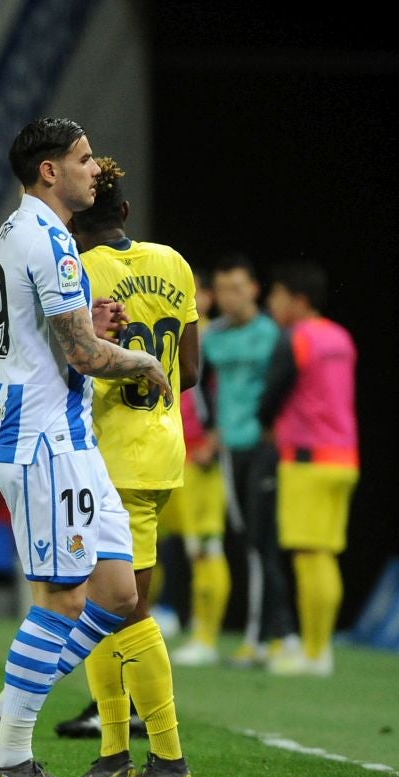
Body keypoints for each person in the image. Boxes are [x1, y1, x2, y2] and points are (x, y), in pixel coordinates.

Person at [0, 157, 199, 777]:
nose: (84, 168)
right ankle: (111, 752)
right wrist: (131, 359)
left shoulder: (54, 255)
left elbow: (3, 348)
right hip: (151, 447)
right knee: (114, 599)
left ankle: (135, 751)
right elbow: (187, 370)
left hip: (92, 448)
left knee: (107, 603)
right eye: (78, 157)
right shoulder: (171, 262)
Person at [256, 261, 359, 676]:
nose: (271, 303)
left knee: (308, 555)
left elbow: (272, 394)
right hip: (344, 458)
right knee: (325, 554)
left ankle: (315, 654)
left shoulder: (295, 338)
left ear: (298, 300)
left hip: (306, 458)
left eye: (277, 295)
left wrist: (266, 423)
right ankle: (320, 650)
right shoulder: (341, 337)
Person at [203, 256, 294, 665]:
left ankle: (264, 638)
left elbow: (287, 385)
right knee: (249, 541)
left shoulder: (273, 334)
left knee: (261, 543)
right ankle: (276, 634)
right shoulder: (212, 337)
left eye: (237, 288)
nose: (230, 297)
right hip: (229, 451)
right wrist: (210, 430)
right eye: (223, 289)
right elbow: (196, 384)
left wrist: (276, 427)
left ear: (254, 289)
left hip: (264, 447)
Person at [167, 269, 232, 666]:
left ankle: (206, 637)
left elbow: (230, 394)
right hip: (173, 455)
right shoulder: (176, 331)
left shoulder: (215, 340)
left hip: (203, 456)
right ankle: (165, 615)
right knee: (159, 544)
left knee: (205, 547)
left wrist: (215, 439)